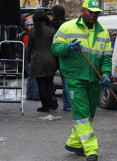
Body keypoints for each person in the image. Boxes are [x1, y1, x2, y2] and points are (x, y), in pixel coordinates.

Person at [51, 0, 112, 160]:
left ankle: (74, 143)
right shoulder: (67, 27)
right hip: (74, 78)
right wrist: (68, 47)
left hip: (94, 80)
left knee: (89, 115)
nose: (93, 15)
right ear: (82, 10)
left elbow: (106, 57)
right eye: (90, 11)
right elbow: (55, 48)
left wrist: (106, 74)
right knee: (82, 114)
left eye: (96, 12)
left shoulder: (103, 32)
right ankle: (92, 150)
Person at [26, 10, 58, 112]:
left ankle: (45, 106)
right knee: (49, 82)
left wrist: (27, 60)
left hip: (38, 61)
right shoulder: (51, 30)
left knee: (41, 84)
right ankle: (53, 102)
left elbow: (29, 48)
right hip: (51, 59)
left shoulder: (33, 32)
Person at [51, 5, 71, 111]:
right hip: (64, 54)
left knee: (49, 79)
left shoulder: (50, 25)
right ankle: (67, 105)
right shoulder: (67, 25)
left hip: (52, 55)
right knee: (65, 81)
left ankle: (51, 101)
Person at [19, 18, 40, 101]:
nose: (32, 26)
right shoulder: (26, 35)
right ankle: (35, 95)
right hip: (29, 58)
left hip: (27, 58)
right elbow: (28, 48)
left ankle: (29, 95)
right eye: (30, 25)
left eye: (33, 25)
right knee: (33, 77)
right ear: (26, 26)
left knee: (31, 77)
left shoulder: (26, 34)